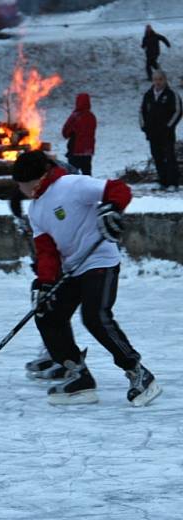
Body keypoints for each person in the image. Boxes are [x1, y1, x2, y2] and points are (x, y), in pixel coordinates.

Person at [12, 150, 162, 407]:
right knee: (48, 315)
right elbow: (47, 251)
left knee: (95, 317)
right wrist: (45, 283)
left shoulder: (72, 185)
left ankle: (138, 372)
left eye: (21, 185)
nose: (20, 190)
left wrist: (112, 209)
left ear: (35, 180)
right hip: (72, 268)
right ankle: (78, 374)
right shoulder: (36, 209)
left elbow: (118, 189)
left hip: (100, 261)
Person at [140, 70, 182, 192]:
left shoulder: (171, 94)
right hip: (152, 133)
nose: (157, 82)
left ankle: (173, 182)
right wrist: (144, 127)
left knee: (169, 156)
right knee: (157, 156)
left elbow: (178, 111)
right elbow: (142, 112)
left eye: (160, 79)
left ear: (165, 80)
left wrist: (169, 126)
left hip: (167, 133)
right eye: (155, 79)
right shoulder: (148, 95)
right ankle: (162, 181)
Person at [61, 93, 96, 176]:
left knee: (73, 174)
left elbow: (65, 132)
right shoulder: (92, 116)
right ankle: (88, 188)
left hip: (75, 150)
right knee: (87, 173)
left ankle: (74, 188)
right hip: (88, 150)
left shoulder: (75, 116)